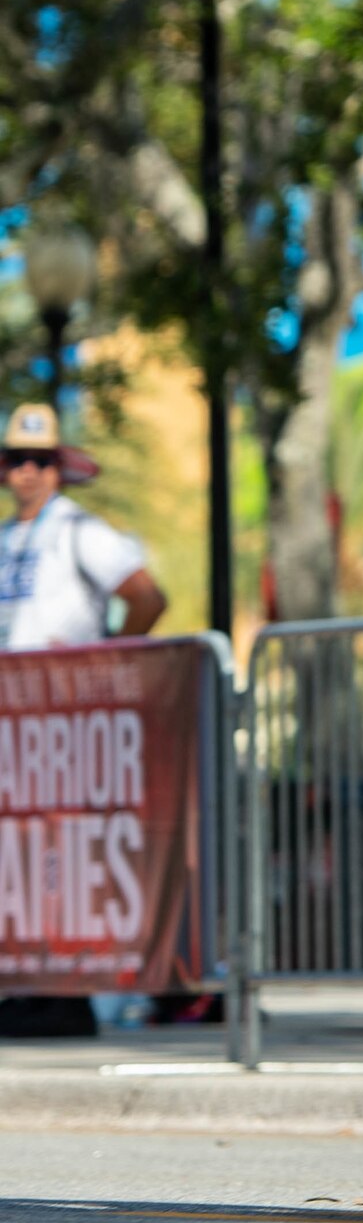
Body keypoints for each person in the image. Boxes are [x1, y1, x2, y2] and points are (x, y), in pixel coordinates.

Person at [0, 402, 169, 1039]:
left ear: (58, 468)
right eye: (17, 459)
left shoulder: (79, 531)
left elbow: (145, 596)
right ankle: (29, 987)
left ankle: (64, 994)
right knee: (20, 853)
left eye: (40, 460)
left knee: (58, 852)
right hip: (16, 724)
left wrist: (104, 665)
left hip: (62, 722)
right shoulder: (10, 538)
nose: (28, 472)